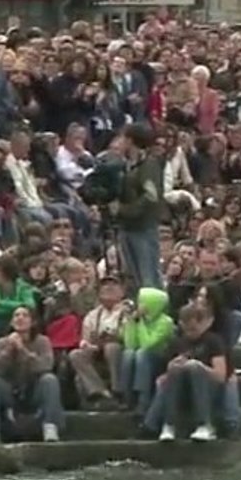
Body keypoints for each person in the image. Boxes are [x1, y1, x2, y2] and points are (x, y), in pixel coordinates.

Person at [0, 306, 64, 443]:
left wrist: (23, 350)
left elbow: (45, 366)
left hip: (34, 390)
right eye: (16, 315)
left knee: (50, 380)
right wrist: (9, 349)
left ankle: (50, 426)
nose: (20, 318)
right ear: (11, 322)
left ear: (33, 322)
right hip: (10, 391)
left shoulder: (42, 341)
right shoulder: (1, 342)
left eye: (25, 315)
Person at [155, 301, 230, 442]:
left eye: (195, 326)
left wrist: (199, 366)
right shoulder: (176, 343)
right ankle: (169, 424)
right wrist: (171, 367)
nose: (191, 329)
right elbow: (162, 379)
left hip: (208, 389)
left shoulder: (214, 341)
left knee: (194, 368)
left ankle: (204, 424)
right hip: (182, 388)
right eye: (187, 326)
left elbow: (220, 376)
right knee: (176, 370)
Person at [114, 122, 164, 291]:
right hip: (127, 227)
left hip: (143, 228)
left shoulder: (148, 164)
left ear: (130, 141)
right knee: (134, 277)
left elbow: (151, 196)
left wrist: (124, 210)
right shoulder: (127, 165)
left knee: (148, 276)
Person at [68, 275, 128, 407]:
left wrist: (105, 341)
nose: (108, 287)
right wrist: (87, 345)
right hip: (96, 352)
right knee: (75, 355)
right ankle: (100, 391)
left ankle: (118, 390)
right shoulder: (93, 315)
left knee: (111, 348)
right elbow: (85, 338)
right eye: (105, 285)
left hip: (120, 352)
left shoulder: (127, 311)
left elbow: (127, 336)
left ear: (122, 291)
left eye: (113, 285)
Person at [120, 286, 175, 416]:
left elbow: (147, 344)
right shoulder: (138, 319)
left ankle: (143, 400)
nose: (139, 305)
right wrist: (131, 322)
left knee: (141, 354)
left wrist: (140, 323)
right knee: (128, 354)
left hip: (158, 358)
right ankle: (126, 397)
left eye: (142, 302)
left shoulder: (166, 322)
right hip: (141, 358)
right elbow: (130, 344)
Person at [0, 254, 39, 348]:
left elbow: (29, 306)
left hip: (19, 320)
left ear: (7, 272)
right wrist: (14, 307)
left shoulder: (23, 287)